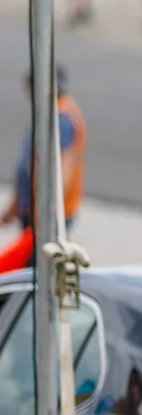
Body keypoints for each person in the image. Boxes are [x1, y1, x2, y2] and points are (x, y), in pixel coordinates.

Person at [0, 67, 84, 271]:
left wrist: (50, 211)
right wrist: (15, 207)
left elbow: (62, 168)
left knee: (35, 269)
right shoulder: (51, 112)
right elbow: (29, 166)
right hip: (36, 211)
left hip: (46, 215)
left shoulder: (61, 118)